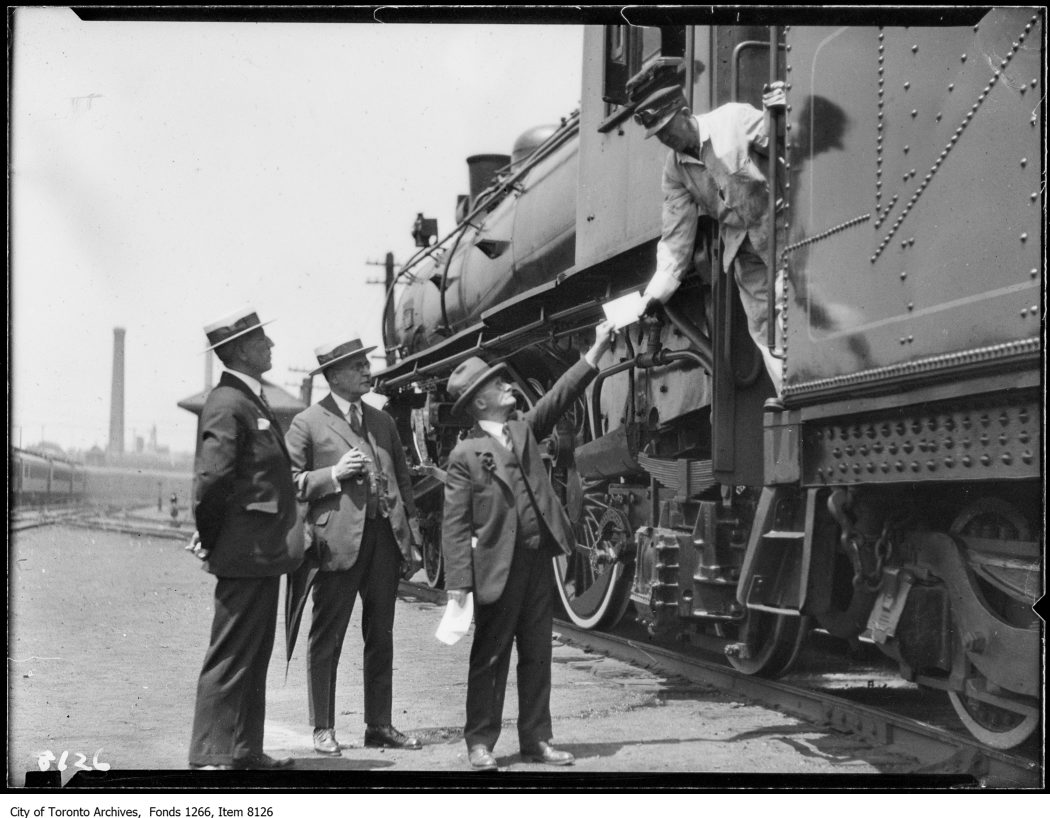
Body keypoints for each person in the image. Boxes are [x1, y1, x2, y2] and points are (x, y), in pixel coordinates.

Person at [441, 320, 615, 771]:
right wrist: (457, 583)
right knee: (491, 657)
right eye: (499, 384)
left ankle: (537, 739)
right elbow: (455, 526)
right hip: (497, 567)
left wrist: (593, 353)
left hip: (537, 561)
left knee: (537, 655)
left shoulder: (521, 430)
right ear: (481, 400)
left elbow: (557, 398)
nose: (507, 387)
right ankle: (480, 742)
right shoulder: (465, 455)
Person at [284, 337, 423, 756]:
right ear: (334, 376)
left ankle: (378, 724)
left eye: (366, 363)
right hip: (336, 544)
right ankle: (323, 728)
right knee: (327, 638)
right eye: (358, 365)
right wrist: (332, 473)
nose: (367, 370)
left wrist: (411, 540)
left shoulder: (383, 422)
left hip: (383, 542)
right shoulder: (307, 422)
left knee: (381, 636)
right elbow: (288, 482)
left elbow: (404, 484)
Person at [188, 306, 301, 771]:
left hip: (261, 551)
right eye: (261, 340)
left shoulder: (248, 400)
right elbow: (212, 480)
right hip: (243, 550)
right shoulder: (228, 402)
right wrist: (213, 539)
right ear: (237, 350)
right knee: (232, 654)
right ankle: (211, 756)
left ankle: (243, 751)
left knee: (254, 654)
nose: (271, 346)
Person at [631, 80, 787, 395]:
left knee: (793, 312)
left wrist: (784, 109)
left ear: (685, 112)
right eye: (658, 135)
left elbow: (785, 139)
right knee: (764, 328)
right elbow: (676, 238)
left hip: (785, 235)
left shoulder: (733, 119)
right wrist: (655, 295)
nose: (665, 138)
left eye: (667, 128)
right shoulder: (674, 171)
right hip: (744, 255)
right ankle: (793, 398)